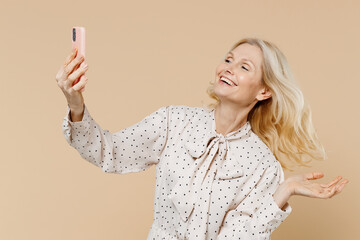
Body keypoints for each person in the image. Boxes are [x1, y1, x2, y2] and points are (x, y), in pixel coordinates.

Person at [56, 37, 349, 240]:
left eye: (244, 67)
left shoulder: (263, 165)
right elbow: (109, 152)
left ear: (264, 92)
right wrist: (75, 103)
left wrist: (281, 193)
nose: (228, 68)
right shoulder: (174, 121)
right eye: (228, 59)